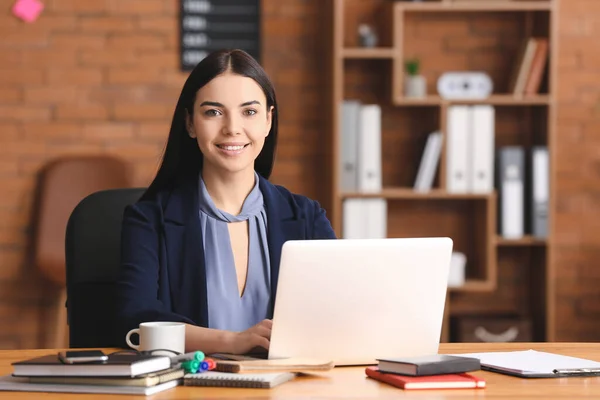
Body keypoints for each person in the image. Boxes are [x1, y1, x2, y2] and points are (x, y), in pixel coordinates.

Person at [115, 49, 336, 356]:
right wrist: (233, 342)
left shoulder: (307, 217)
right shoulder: (149, 219)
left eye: (249, 112)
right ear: (190, 123)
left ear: (268, 121)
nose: (232, 128)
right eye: (213, 112)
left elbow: (340, 310)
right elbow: (135, 319)